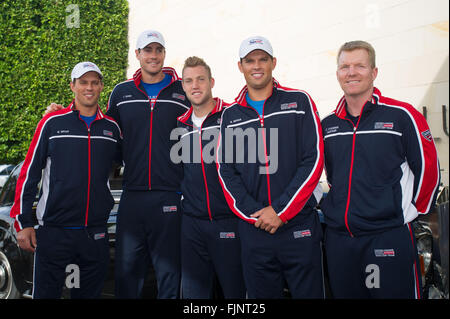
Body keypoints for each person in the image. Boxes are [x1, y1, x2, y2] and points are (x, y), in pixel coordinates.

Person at [45, 30, 190, 298]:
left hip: (171, 195)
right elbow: (101, 130)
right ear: (138, 55)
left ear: (164, 54)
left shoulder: (183, 91)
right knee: (127, 271)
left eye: (158, 50)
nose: (153, 56)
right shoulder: (121, 93)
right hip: (132, 195)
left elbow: (203, 120)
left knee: (170, 274)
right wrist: (64, 114)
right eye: (147, 50)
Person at [320, 40, 440, 298]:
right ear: (338, 73)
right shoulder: (328, 125)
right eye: (345, 67)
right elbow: (333, 177)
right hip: (340, 242)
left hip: (386, 239)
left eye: (360, 66)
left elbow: (429, 170)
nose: (351, 72)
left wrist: (407, 213)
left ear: (374, 72)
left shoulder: (402, 115)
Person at [217, 36, 325, 298]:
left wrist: (280, 210)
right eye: (250, 60)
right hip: (255, 229)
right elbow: (225, 170)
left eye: (263, 59)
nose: (257, 66)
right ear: (240, 66)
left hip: (298, 225)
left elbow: (313, 159)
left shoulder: (299, 102)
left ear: (273, 62)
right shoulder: (230, 115)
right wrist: (255, 213)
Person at [11, 62, 122, 298]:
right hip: (54, 233)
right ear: (72, 86)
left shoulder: (112, 129)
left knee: (87, 295)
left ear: (101, 86)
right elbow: (29, 172)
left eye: (94, 82)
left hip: (95, 234)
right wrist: (23, 222)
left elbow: (130, 162)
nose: (89, 87)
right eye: (83, 82)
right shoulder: (52, 122)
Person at [176, 56, 246, 298]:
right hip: (192, 226)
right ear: (183, 86)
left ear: (212, 82)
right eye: (189, 81)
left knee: (235, 293)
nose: (195, 85)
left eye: (200, 79)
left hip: (228, 222)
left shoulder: (232, 117)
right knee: (194, 297)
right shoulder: (180, 126)